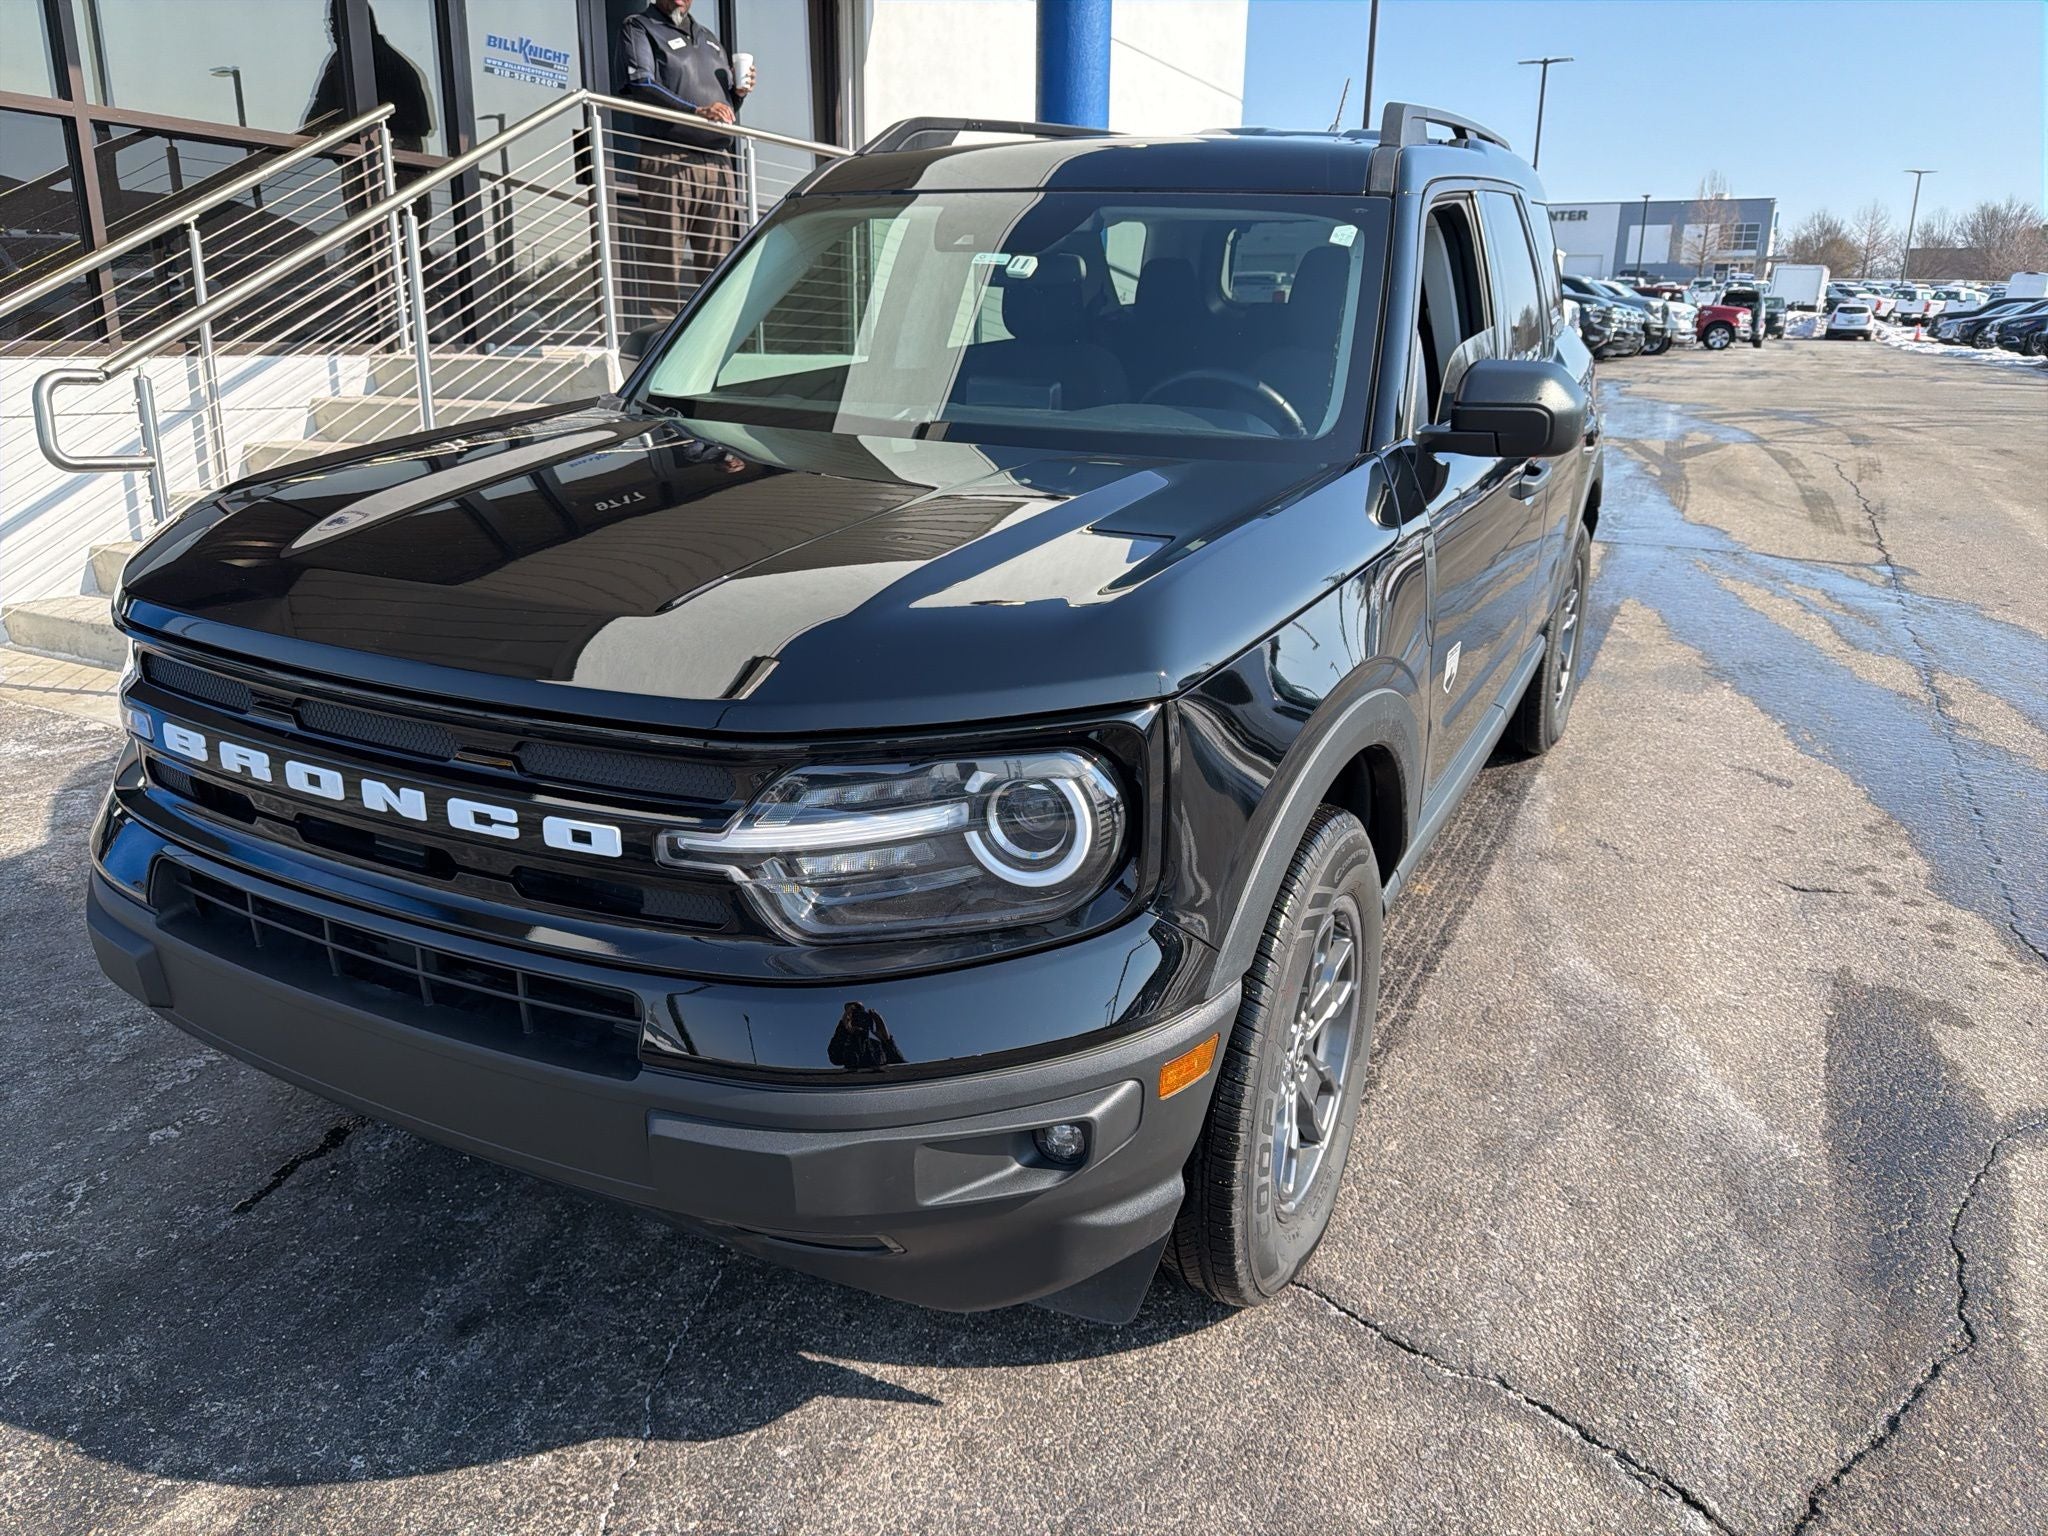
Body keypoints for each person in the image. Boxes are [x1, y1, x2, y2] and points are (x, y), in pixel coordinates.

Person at [617, 0, 756, 324]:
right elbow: (641, 83)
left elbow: (724, 108)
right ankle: (662, 338)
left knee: (719, 261)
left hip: (718, 162)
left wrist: (738, 94)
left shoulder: (710, 39)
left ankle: (715, 333)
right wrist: (695, 111)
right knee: (666, 256)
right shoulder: (640, 26)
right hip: (668, 156)